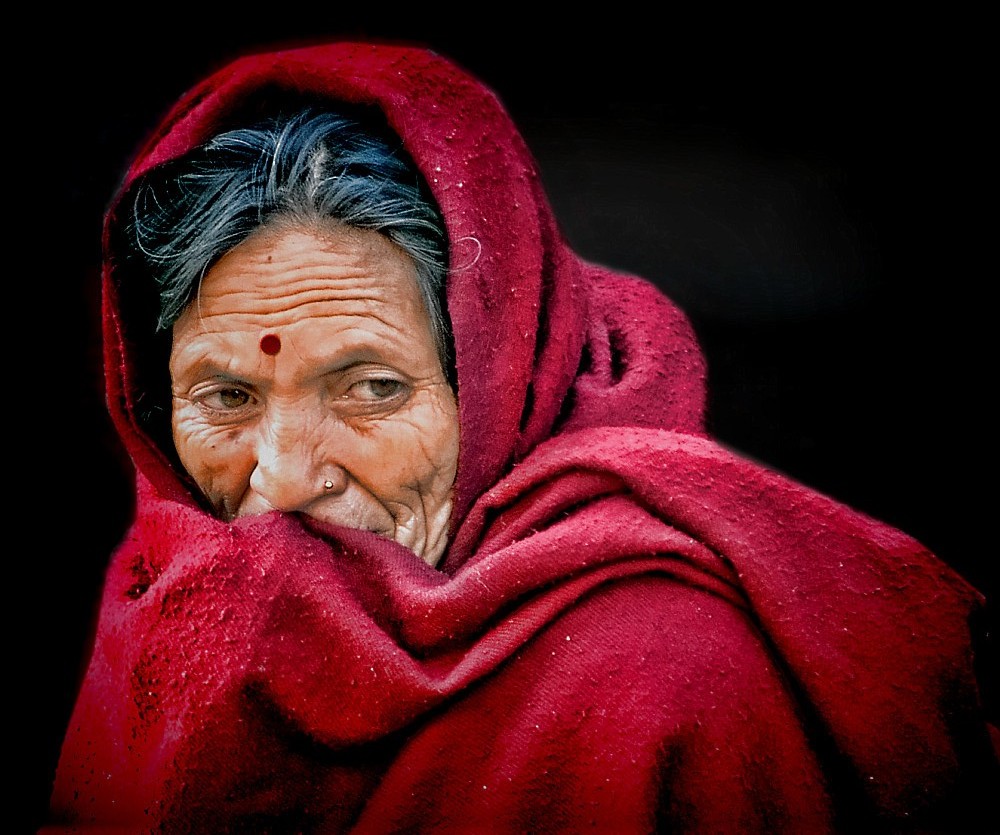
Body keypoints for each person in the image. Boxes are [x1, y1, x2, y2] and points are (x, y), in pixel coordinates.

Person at [44, 40, 998, 832]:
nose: (284, 479)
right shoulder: (168, 594)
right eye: (225, 396)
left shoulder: (671, 684)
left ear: (504, 375)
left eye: (373, 387)